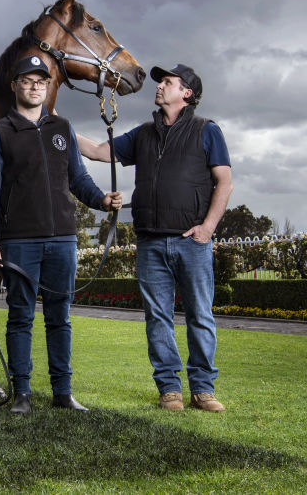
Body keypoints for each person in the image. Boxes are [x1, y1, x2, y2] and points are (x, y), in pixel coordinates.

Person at [80, 63, 232, 412]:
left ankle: (203, 389)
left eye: (168, 82)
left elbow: (224, 181)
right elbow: (98, 151)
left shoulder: (207, 131)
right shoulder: (143, 133)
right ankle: (169, 390)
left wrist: (207, 228)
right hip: (150, 241)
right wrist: (55, 120)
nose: (159, 87)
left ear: (187, 93)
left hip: (191, 241)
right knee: (157, 317)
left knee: (200, 315)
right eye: (160, 82)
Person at [0, 55, 123, 416]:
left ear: (47, 86)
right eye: (26, 81)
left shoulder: (63, 128)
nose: (34, 87)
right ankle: (22, 394)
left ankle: (63, 392)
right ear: (15, 87)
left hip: (62, 239)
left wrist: (102, 200)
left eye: (40, 82)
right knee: (21, 317)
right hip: (18, 240)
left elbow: (78, 178)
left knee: (61, 317)